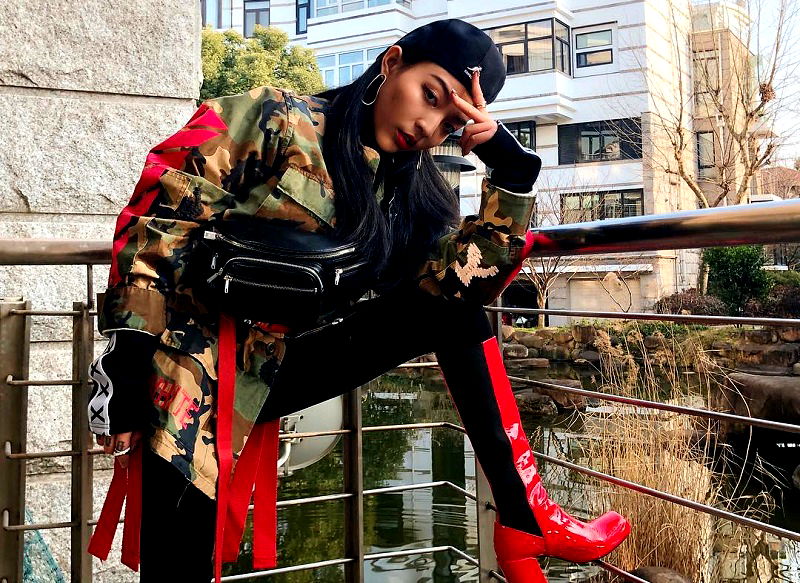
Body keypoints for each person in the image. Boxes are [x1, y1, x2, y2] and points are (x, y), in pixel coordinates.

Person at [87, 19, 630, 583]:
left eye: (451, 124)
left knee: (454, 311)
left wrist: (512, 171)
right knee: (178, 564)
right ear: (392, 63)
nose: (428, 127)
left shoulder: (411, 191)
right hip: (186, 368)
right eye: (431, 96)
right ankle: (524, 517)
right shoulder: (277, 117)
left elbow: (462, 285)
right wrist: (126, 370)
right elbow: (156, 225)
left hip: (277, 364)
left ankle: (523, 512)